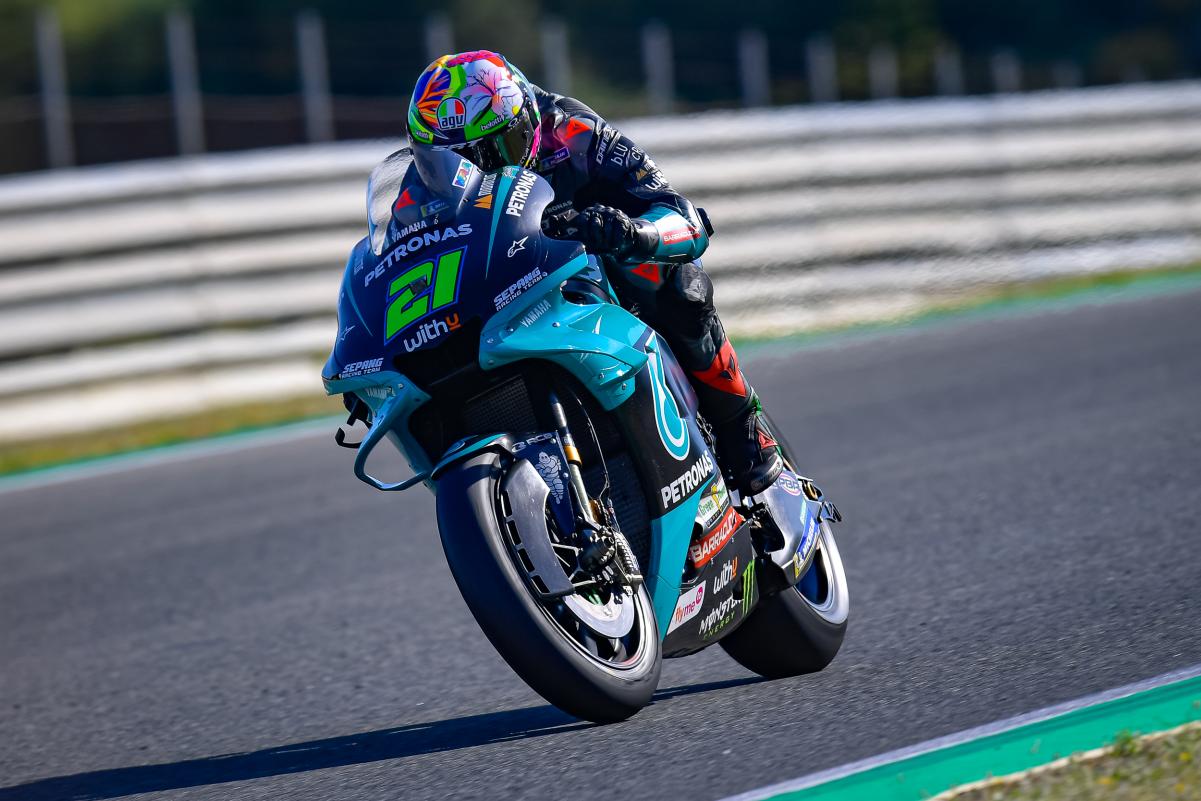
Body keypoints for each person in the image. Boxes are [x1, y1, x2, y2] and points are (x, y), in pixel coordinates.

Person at [398, 49, 782, 495]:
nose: (481, 171)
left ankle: (743, 423)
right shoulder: (418, 192)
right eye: (458, 161)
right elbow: (402, 270)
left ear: (525, 124)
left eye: (493, 151)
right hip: (506, 306)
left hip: (599, 270)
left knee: (679, 287)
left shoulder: (573, 132)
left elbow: (685, 219)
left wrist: (632, 233)